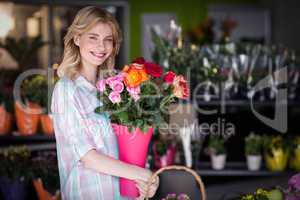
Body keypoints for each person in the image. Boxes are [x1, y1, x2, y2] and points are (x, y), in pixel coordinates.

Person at [51, 6, 159, 200]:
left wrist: (144, 182)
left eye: (107, 40)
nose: (101, 47)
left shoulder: (117, 84)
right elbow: (87, 157)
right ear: (77, 38)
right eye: (93, 37)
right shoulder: (66, 90)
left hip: (124, 194)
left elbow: (129, 141)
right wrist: (142, 174)